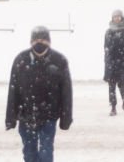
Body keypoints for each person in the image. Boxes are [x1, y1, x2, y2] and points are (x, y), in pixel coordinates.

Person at [5, 26, 73, 162]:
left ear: (49, 41)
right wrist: (10, 117)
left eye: (43, 39)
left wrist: (66, 118)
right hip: (26, 115)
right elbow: (13, 91)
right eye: (36, 39)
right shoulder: (21, 60)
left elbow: (66, 92)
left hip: (49, 115)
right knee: (29, 153)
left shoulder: (59, 61)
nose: (39, 42)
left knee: (46, 152)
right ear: (31, 41)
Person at [103, 9, 124, 116]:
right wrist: (107, 61)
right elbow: (106, 48)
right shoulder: (108, 32)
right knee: (111, 86)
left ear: (121, 17)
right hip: (111, 64)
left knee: (121, 84)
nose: (116, 18)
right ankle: (113, 107)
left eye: (118, 16)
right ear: (112, 18)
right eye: (114, 16)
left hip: (123, 62)